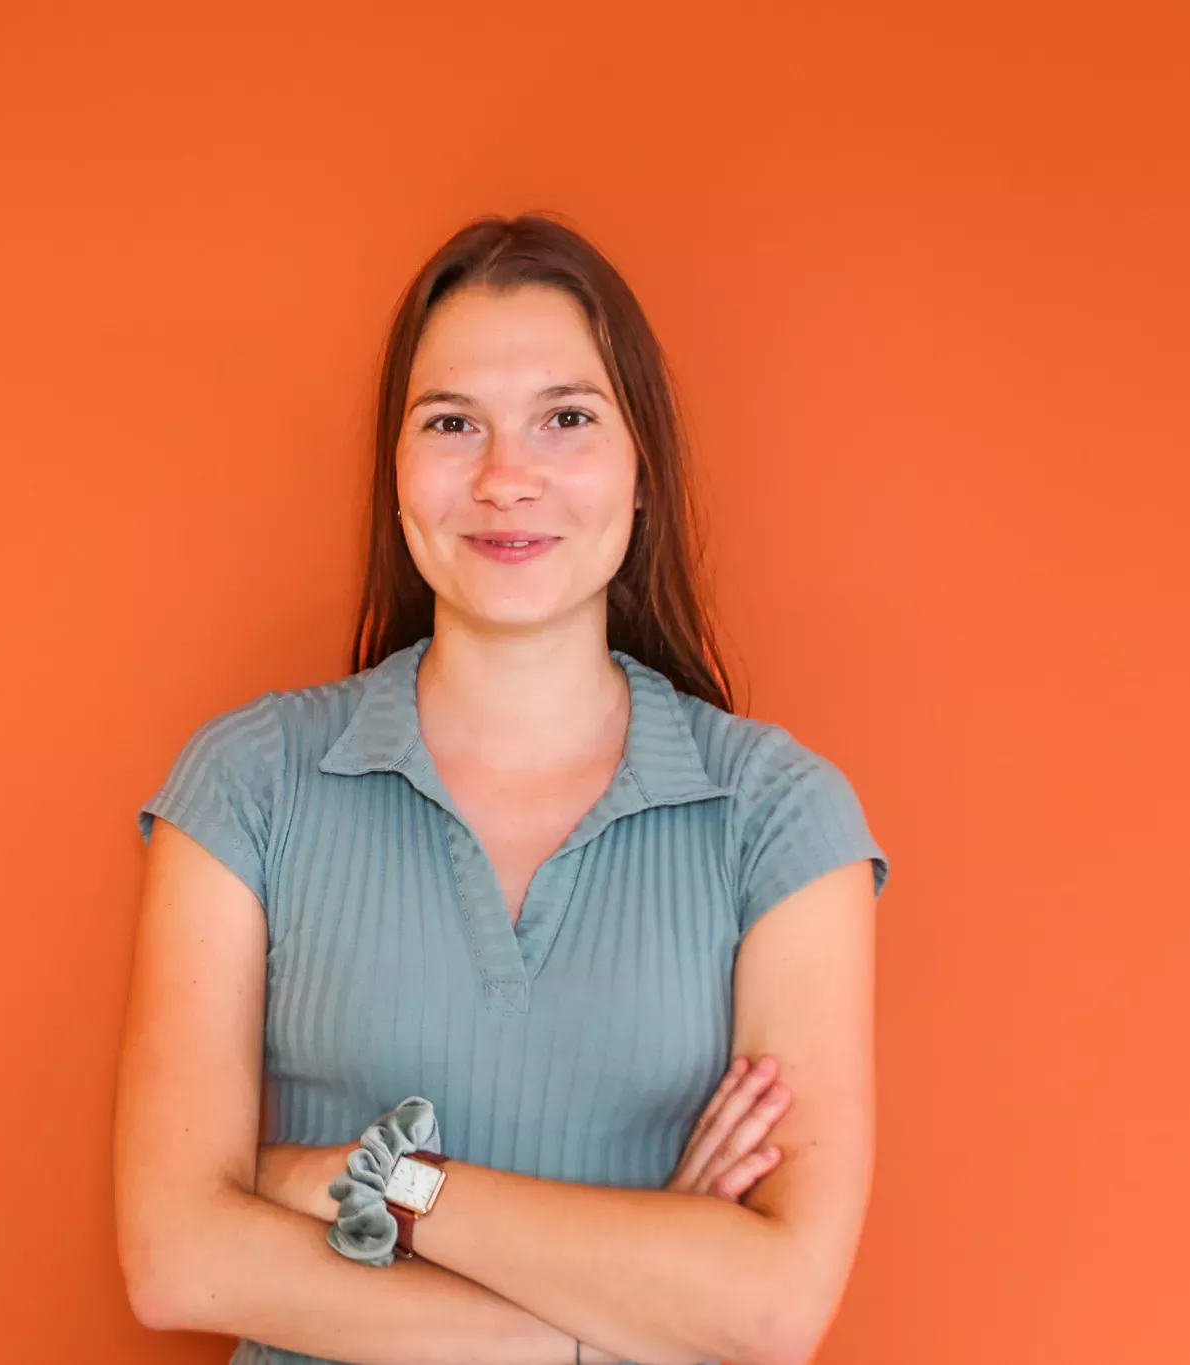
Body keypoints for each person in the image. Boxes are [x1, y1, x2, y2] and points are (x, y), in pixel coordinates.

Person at [113, 213, 891, 1365]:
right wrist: (605, 1327)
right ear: (395, 472)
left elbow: (771, 1307)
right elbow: (176, 1259)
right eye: (450, 424)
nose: (504, 476)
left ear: (641, 477)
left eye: (565, 419)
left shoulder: (778, 817)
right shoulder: (247, 784)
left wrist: (375, 1185)